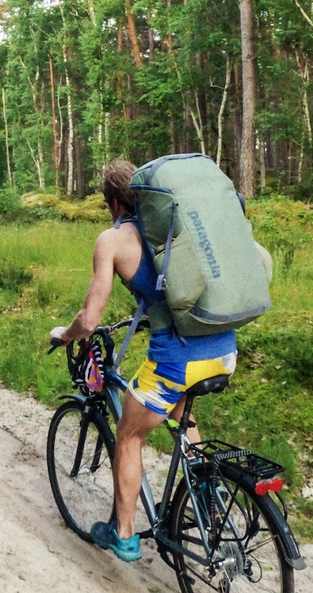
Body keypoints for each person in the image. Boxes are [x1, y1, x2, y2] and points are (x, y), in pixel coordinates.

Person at [49, 160, 237, 563]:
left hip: (179, 360)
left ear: (114, 202)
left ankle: (124, 534)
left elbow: (90, 318)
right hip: (224, 350)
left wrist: (65, 335)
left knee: (130, 434)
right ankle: (207, 491)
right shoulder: (177, 229)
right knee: (180, 413)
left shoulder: (113, 240)